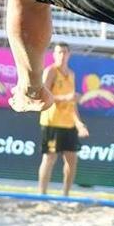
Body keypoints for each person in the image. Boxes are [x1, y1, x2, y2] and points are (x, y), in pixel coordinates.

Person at [37, 42, 90, 197]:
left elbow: (72, 104)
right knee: (49, 158)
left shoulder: (71, 74)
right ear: (53, 54)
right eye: (59, 52)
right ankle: (42, 194)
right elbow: (44, 96)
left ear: (69, 55)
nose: (61, 55)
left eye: (64, 52)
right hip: (52, 121)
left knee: (72, 161)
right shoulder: (50, 72)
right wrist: (66, 97)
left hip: (68, 123)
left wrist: (79, 123)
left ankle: (65, 195)